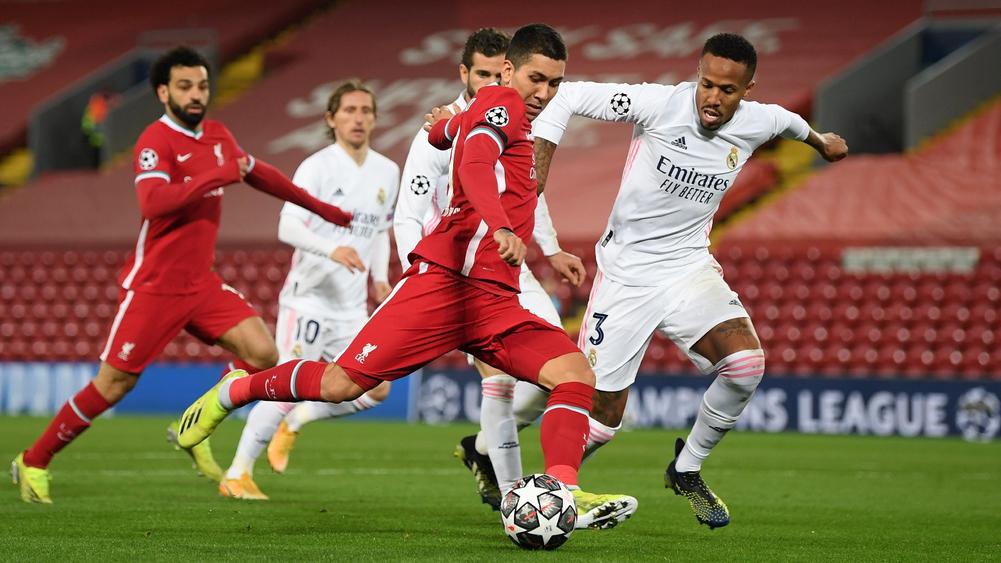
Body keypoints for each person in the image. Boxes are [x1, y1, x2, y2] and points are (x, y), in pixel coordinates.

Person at [174, 24, 635, 525]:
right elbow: (478, 163)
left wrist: (442, 128)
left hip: (495, 302)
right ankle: (234, 391)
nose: (544, 93)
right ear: (507, 71)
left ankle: (561, 493)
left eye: (554, 84)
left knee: (574, 375)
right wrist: (500, 225)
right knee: (340, 385)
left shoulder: (503, 115)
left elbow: (457, 135)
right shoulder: (502, 103)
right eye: (535, 78)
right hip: (442, 286)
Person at [529, 33, 848, 528]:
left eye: (727, 90)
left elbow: (789, 122)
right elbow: (567, 96)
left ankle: (686, 468)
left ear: (747, 90)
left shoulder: (757, 120)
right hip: (628, 275)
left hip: (687, 266)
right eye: (706, 84)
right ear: (695, 76)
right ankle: (548, 494)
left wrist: (821, 141)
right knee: (603, 419)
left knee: (745, 366)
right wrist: (537, 177)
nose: (713, 98)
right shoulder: (658, 104)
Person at [11, 46, 354, 504]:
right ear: (163, 92)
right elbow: (154, 204)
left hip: (202, 283)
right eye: (185, 86)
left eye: (203, 85)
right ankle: (33, 460)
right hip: (155, 286)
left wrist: (324, 209)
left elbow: (260, 174)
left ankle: (193, 422)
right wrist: (214, 175)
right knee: (113, 384)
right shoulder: (155, 141)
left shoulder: (216, 134)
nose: (196, 94)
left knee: (262, 352)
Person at [388, 28, 605, 524]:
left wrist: (549, 249)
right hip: (456, 269)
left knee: (559, 371)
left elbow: (527, 191)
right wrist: (413, 272)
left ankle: (486, 448)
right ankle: (517, 497)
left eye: (495, 72)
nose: (491, 82)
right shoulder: (442, 132)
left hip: (511, 262)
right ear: (467, 74)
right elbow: (409, 212)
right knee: (500, 382)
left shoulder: (515, 120)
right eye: (481, 74)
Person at [218, 80, 399, 500]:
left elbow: (379, 230)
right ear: (331, 119)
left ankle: (296, 422)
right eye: (349, 110)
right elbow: (287, 225)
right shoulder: (317, 167)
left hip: (352, 306)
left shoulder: (387, 171)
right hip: (309, 300)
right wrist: (332, 249)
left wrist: (379, 276)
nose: (358, 118)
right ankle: (238, 472)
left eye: (366, 111)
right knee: (286, 385)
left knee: (376, 387)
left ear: (374, 118)